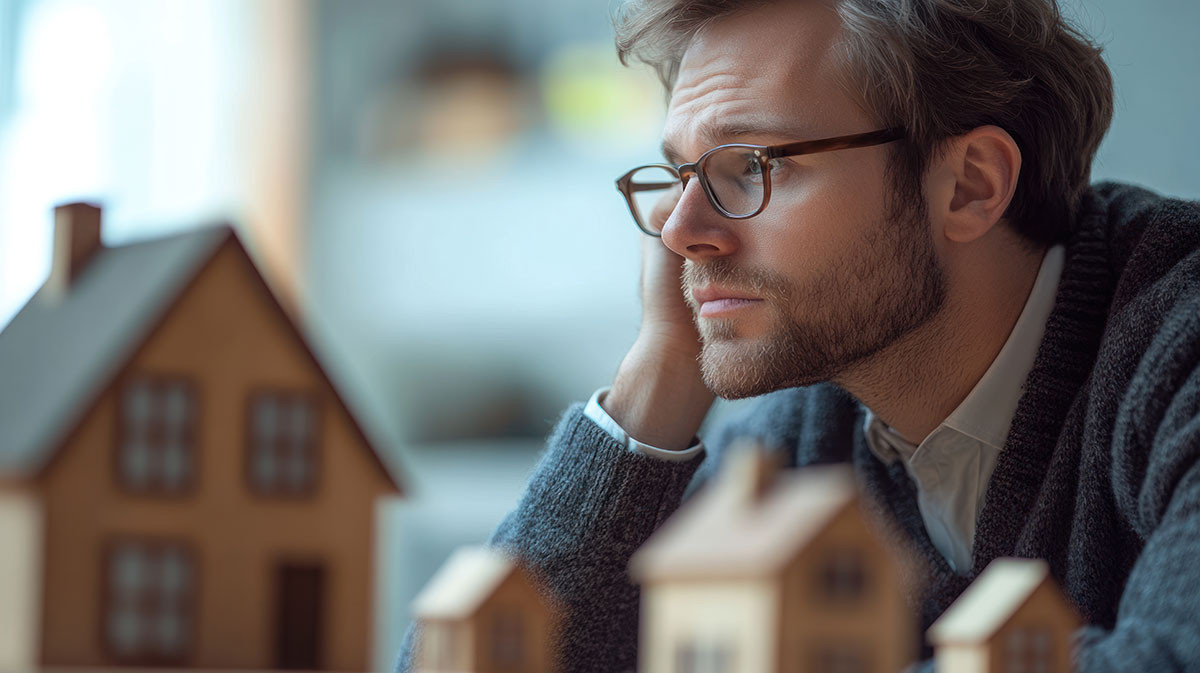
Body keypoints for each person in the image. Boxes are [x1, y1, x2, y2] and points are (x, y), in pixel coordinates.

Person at [397, 0, 1200, 671]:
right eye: (681, 175)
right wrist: (658, 380)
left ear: (970, 185)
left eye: (751, 166)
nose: (680, 232)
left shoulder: (1176, 344)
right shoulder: (792, 434)